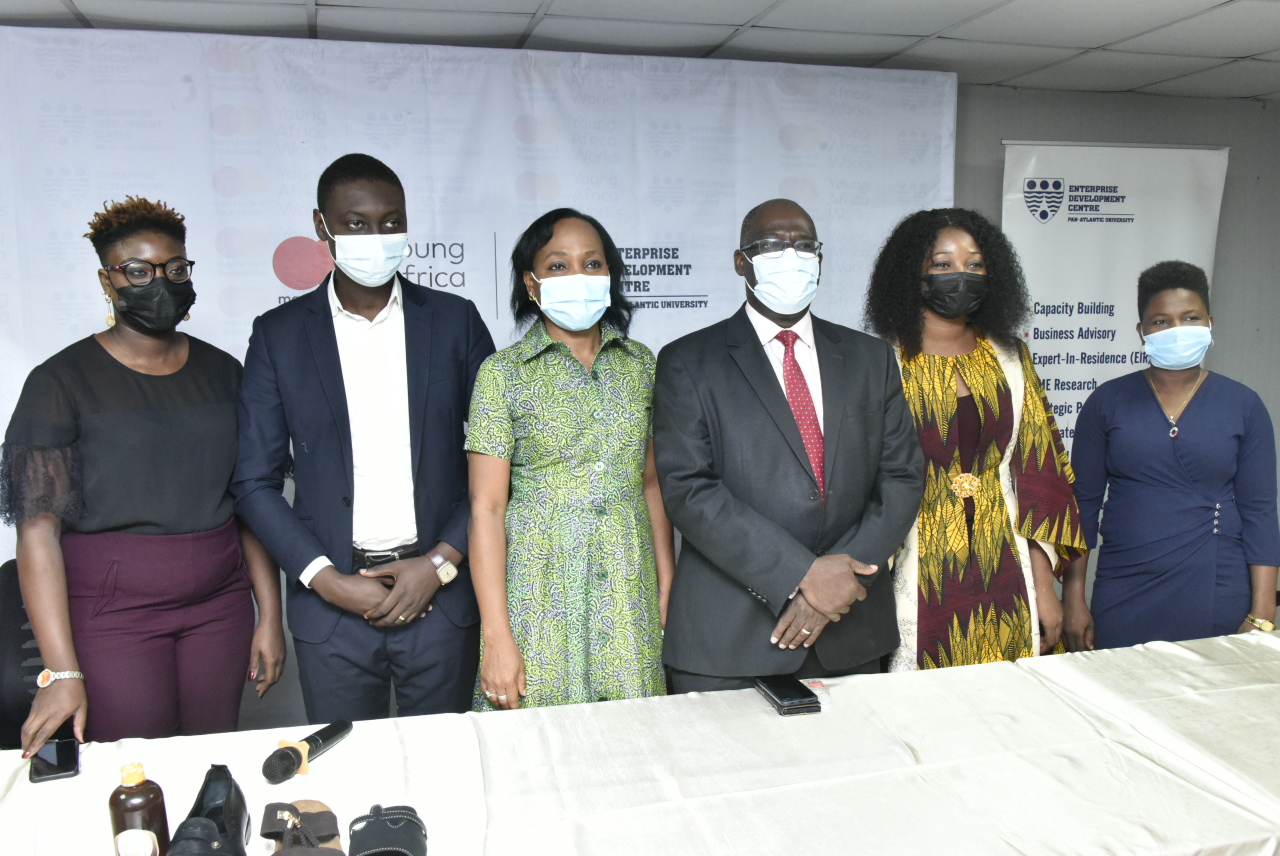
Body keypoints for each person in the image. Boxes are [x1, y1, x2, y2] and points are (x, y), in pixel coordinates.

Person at [2, 197, 284, 754]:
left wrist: (270, 615)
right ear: (107, 281)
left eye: (175, 268)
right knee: (136, 764)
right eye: (138, 271)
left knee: (212, 758)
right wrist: (61, 672)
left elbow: (251, 504)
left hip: (220, 606)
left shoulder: (225, 373)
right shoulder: (59, 382)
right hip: (113, 612)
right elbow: (37, 532)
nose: (160, 282)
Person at [232, 154, 495, 722]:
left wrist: (441, 562)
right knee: (348, 761)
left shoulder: (455, 321)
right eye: (356, 223)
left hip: (441, 599)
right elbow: (254, 482)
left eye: (391, 222)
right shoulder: (279, 336)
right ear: (321, 225)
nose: (377, 237)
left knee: (446, 759)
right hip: (333, 610)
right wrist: (325, 580)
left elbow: (499, 458)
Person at [653, 198, 924, 692]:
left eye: (804, 246)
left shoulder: (871, 358)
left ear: (820, 259)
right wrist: (802, 575)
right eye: (772, 245)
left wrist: (843, 579)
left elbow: (902, 476)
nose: (791, 256)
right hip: (728, 642)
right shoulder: (688, 361)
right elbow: (689, 490)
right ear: (741, 262)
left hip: (851, 633)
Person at [467, 209, 673, 710]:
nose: (578, 275)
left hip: (627, 589)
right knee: (535, 743)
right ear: (531, 283)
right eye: (558, 265)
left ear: (610, 275)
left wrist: (667, 582)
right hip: (537, 595)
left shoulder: (642, 365)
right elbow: (486, 509)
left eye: (592, 263)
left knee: (632, 740)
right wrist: (497, 636)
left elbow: (651, 483)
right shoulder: (502, 375)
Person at [864, 208, 1086, 671]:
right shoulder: (878, 361)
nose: (960, 275)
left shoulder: (1010, 357)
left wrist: (1045, 590)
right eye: (943, 264)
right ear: (913, 273)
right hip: (913, 566)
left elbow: (1038, 474)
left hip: (1006, 565)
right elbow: (860, 483)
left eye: (975, 264)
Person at [1064, 261, 1279, 650]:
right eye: (1161, 321)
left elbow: (1261, 513)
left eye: (1191, 318)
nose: (1177, 329)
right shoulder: (1106, 403)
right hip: (1124, 583)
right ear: (1141, 331)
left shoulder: (1244, 405)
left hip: (1217, 583)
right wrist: (1073, 598)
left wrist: (1262, 612)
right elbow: (1083, 507)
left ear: (1210, 323)